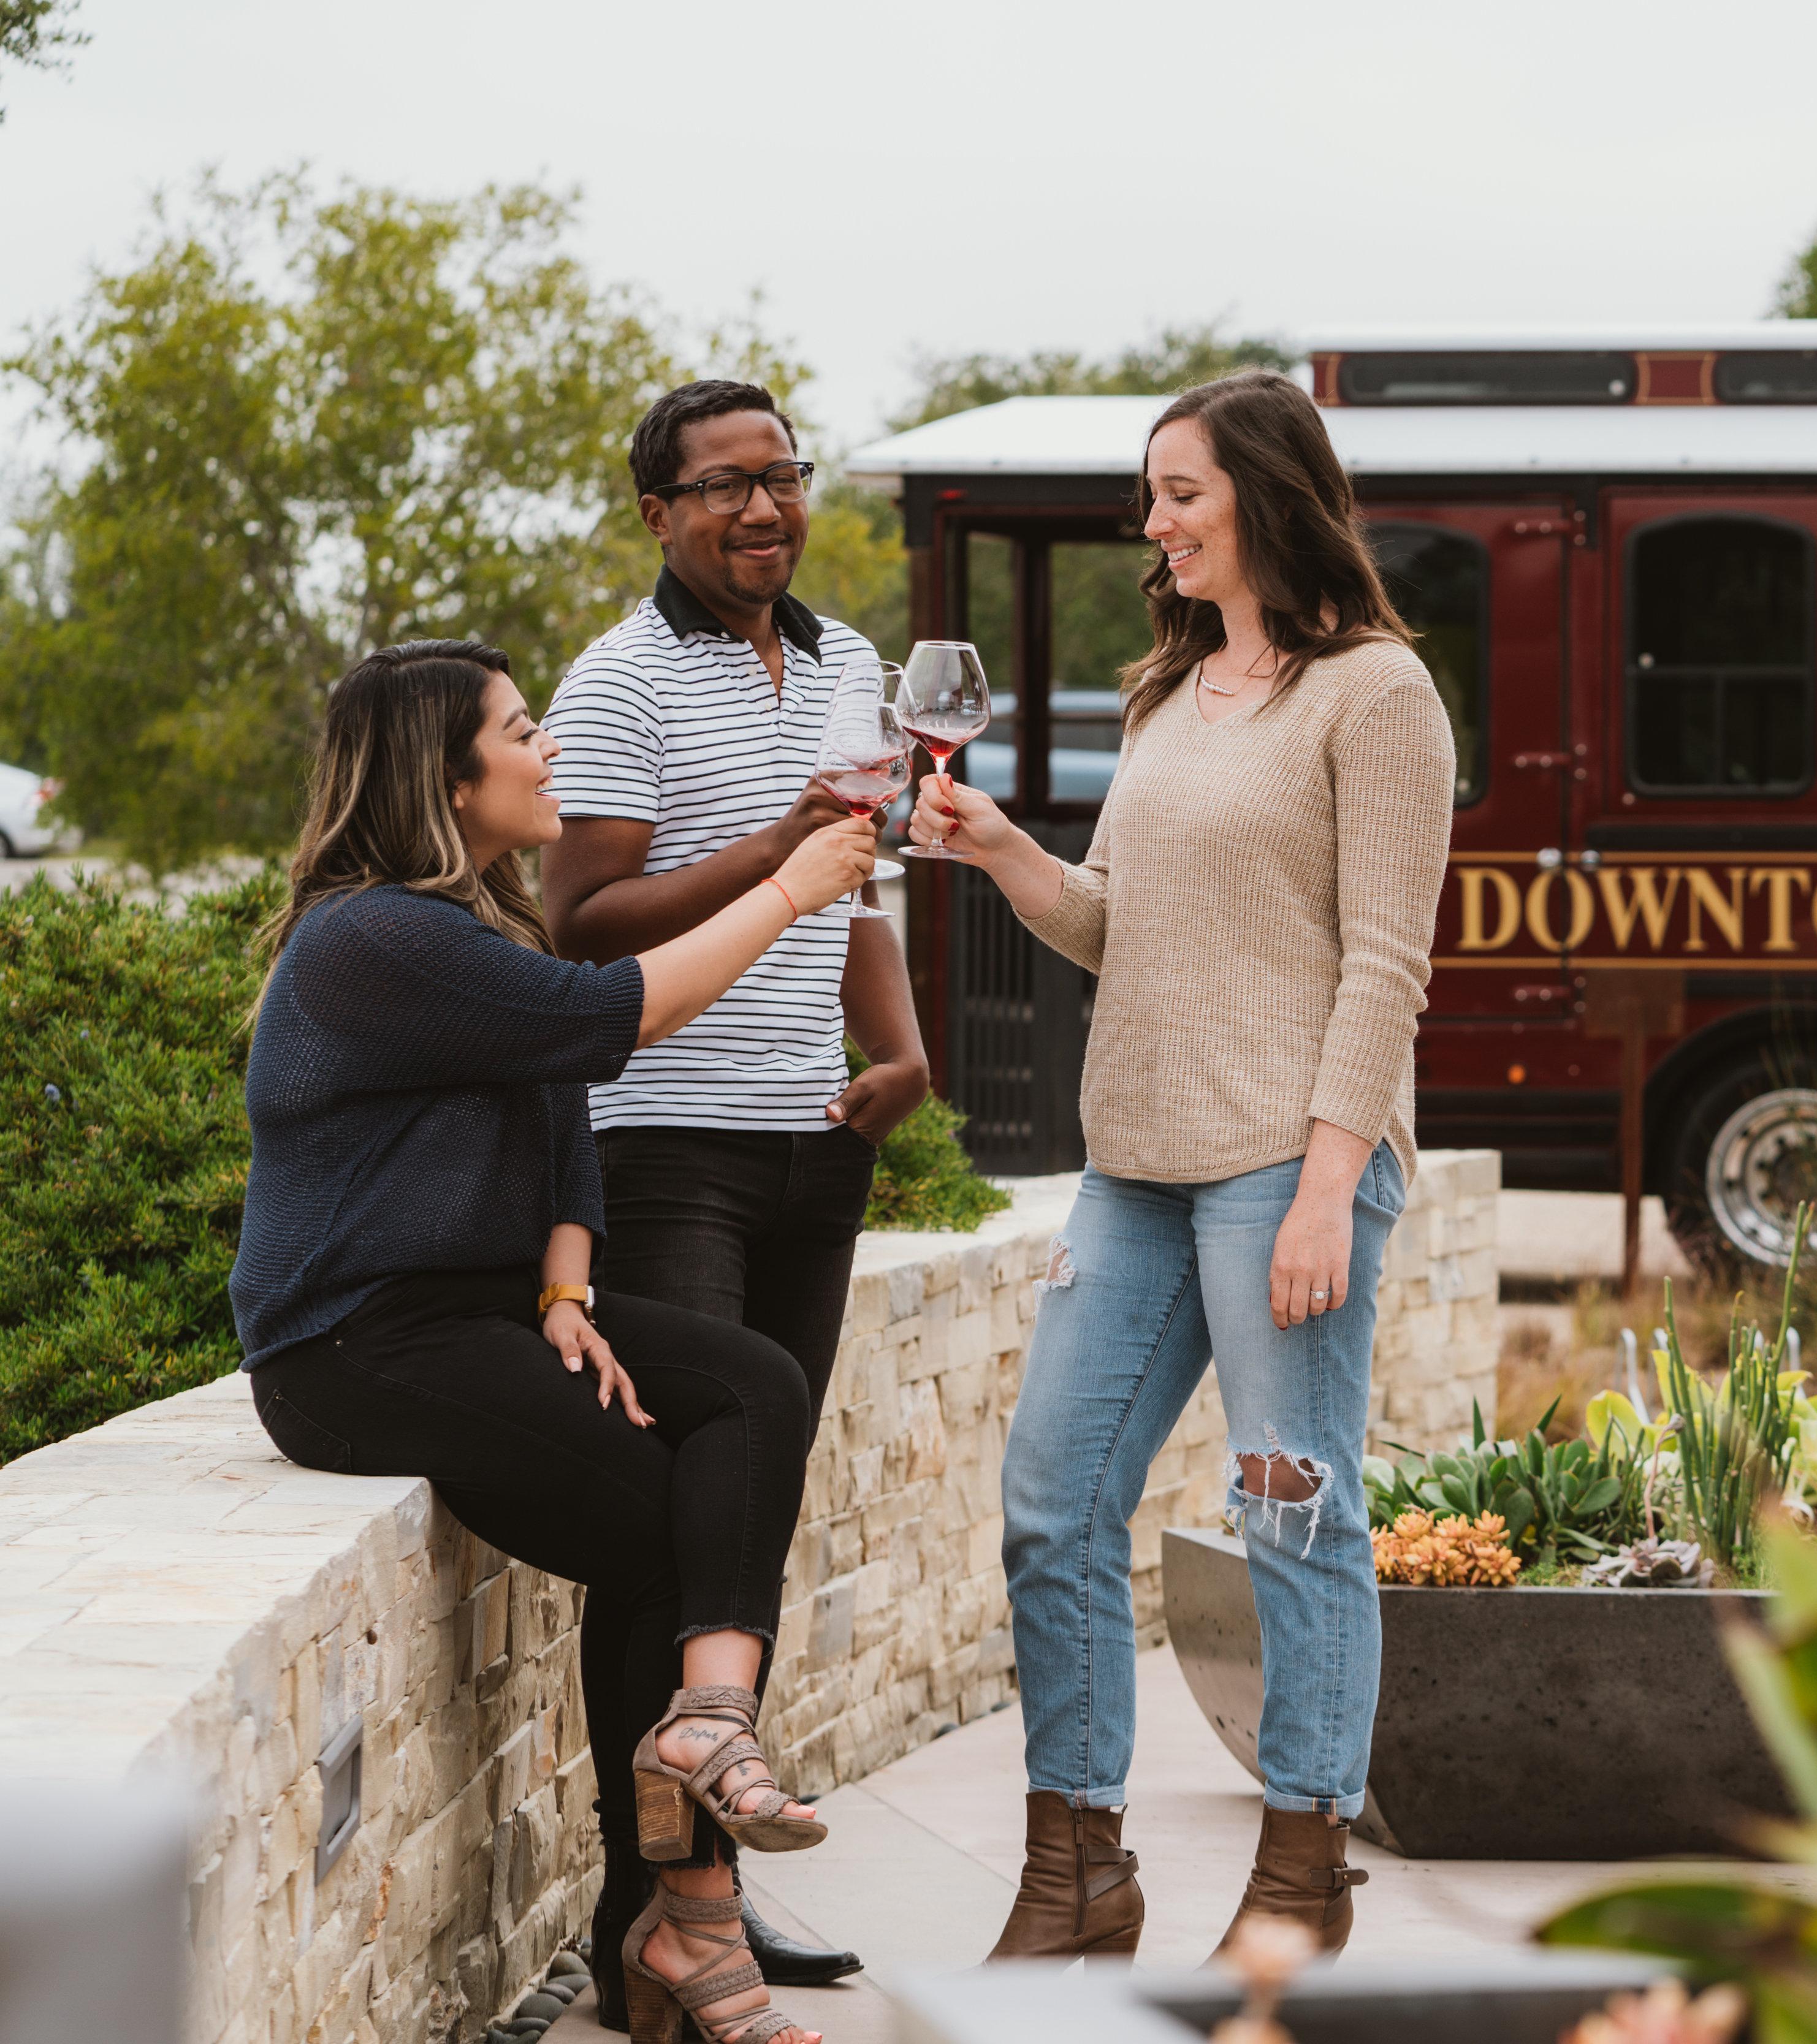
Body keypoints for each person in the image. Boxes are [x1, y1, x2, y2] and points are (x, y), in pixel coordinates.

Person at [233, 640, 882, 2044]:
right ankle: (677, 1916)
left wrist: (569, 1296)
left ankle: (704, 1740)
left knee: (749, 1388)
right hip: (349, 1347)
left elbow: (562, 1135)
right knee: (667, 1518)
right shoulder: (373, 939)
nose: (551, 752)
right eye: (522, 733)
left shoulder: (471, 934)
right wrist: (792, 883)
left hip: (470, 1314)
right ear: (445, 778)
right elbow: (613, 1018)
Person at [910, 370, 1455, 1961]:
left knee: (1292, 1509)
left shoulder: (1377, 699)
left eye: (1183, 494)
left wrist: (1325, 1180)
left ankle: (1305, 1876)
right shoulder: (1164, 699)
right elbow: (1111, 925)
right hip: (1133, 1168)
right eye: (1152, 496)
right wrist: (1003, 849)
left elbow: (1385, 961)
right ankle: (1078, 1869)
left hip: (1288, 1164)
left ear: (1269, 497)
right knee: (1049, 1504)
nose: (1154, 525)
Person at [542, 379, 928, 1997]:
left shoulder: (851, 668)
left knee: (746, 1516)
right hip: (665, 1144)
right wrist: (782, 841)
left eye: (784, 477)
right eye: (726, 487)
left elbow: (868, 883)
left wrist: (899, 1054)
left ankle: (700, 1895)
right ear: (657, 514)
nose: (765, 509)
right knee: (665, 1519)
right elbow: (584, 918)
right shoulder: (619, 680)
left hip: (810, 1147)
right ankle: (654, 1898)